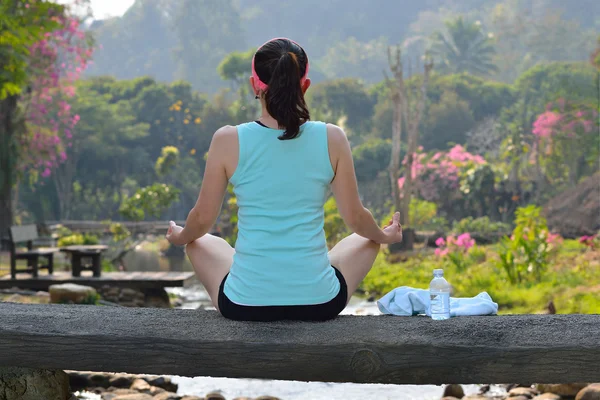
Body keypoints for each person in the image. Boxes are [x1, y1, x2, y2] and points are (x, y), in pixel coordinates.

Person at [166, 38, 403, 321]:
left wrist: (181, 236)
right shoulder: (332, 137)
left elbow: (202, 218)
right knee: (367, 240)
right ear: (304, 86)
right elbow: (355, 217)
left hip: (244, 305)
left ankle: (272, 280)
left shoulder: (227, 139)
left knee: (198, 241)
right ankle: (304, 277)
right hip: (320, 304)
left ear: (255, 85)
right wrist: (385, 235)